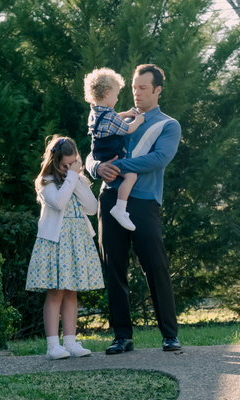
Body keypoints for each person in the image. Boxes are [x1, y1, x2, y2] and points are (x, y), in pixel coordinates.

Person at [85, 64, 182, 355]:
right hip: (109, 199)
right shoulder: (113, 117)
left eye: (143, 88)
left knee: (156, 268)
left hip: (144, 203)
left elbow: (159, 158)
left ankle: (169, 335)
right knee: (114, 270)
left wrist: (118, 167)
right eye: (134, 87)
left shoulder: (168, 125)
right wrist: (96, 168)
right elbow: (92, 151)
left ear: (157, 90)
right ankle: (122, 337)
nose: (136, 93)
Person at [26, 135, 104, 360]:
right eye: (64, 166)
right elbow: (59, 202)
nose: (68, 169)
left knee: (72, 293)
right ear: (54, 162)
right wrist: (72, 177)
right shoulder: (46, 183)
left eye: (73, 164)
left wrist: (77, 179)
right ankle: (53, 346)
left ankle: (70, 342)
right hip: (55, 243)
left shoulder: (75, 180)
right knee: (55, 294)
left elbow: (92, 207)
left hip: (76, 242)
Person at [84, 68, 146, 231]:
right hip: (112, 155)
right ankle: (120, 208)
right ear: (106, 94)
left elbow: (109, 120)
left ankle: (120, 207)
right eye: (116, 94)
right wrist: (138, 120)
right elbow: (128, 129)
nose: (118, 98)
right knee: (131, 176)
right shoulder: (110, 116)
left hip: (100, 154)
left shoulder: (94, 112)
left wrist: (125, 113)